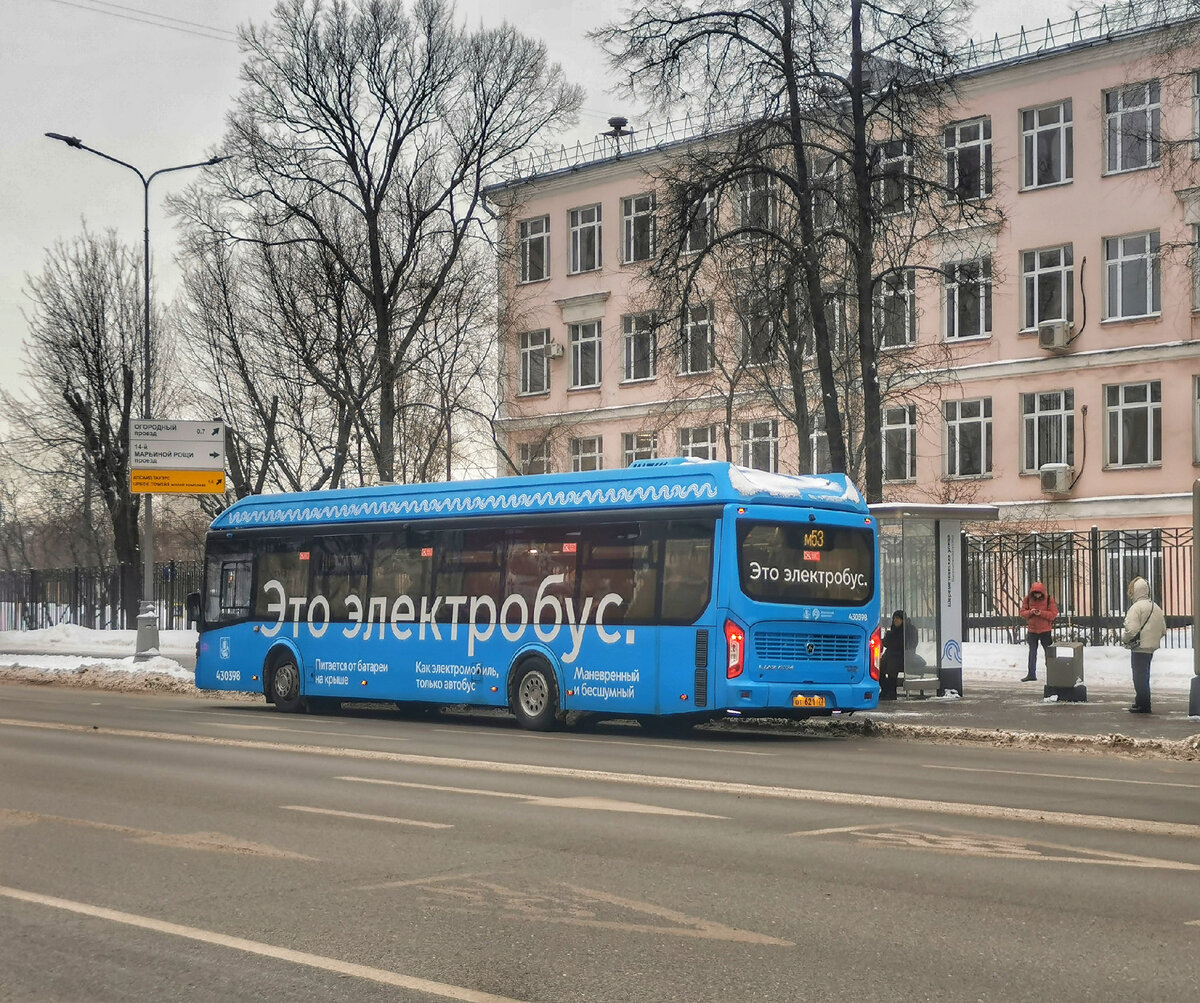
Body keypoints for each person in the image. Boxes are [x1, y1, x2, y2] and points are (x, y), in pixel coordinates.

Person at [1121, 576, 1166, 714]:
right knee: (1144, 675)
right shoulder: (1155, 607)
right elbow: (1163, 629)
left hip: (1139, 647)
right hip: (1151, 647)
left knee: (1139, 677)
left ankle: (1144, 704)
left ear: (1135, 591)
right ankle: (1140, 701)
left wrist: (1125, 638)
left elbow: (1132, 629)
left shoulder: (1136, 608)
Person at [1018, 582, 1058, 681]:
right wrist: (1030, 612)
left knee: (1048, 653)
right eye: (1035, 593)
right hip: (1032, 630)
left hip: (1045, 630)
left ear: (1042, 593)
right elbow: (1022, 613)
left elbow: (1053, 614)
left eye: (1039, 593)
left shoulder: (1049, 600)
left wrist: (1041, 613)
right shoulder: (1027, 599)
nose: (1037, 595)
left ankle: (1052, 674)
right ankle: (1031, 674)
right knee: (1032, 653)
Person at [879, 609, 921, 701]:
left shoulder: (910, 630)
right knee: (878, 667)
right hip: (891, 657)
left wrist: (892, 642)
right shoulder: (893, 630)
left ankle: (892, 692)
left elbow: (909, 644)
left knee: (892, 665)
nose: (895, 620)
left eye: (898, 618)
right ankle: (886, 689)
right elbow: (886, 642)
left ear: (903, 619)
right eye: (894, 618)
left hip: (905, 657)